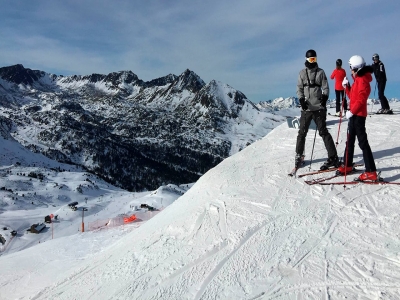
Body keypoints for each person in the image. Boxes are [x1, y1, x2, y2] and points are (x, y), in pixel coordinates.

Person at [296, 49, 338, 170]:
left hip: (319, 108)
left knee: (323, 131)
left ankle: (333, 156)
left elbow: (326, 87)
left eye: (315, 59)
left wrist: (324, 98)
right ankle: (299, 155)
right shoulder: (302, 73)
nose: (313, 61)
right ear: (307, 59)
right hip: (307, 108)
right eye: (311, 59)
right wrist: (301, 100)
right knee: (302, 132)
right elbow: (299, 88)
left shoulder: (321, 72)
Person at [337, 55, 378, 181]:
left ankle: (371, 171)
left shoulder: (363, 81)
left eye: (350, 68)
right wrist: (347, 87)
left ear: (355, 68)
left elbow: (361, 100)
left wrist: (352, 112)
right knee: (350, 140)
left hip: (358, 116)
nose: (350, 71)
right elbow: (353, 97)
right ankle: (347, 165)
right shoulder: (358, 79)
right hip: (353, 114)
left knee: (363, 143)